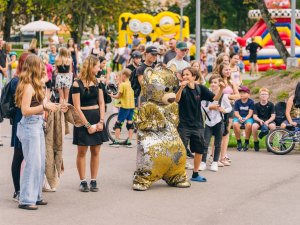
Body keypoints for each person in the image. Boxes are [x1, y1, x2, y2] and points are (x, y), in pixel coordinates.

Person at [15, 54, 58, 210]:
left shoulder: (37, 84)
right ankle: (26, 199)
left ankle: (36, 196)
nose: (43, 67)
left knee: (40, 163)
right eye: (40, 65)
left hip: (37, 124)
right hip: (29, 125)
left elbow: (43, 102)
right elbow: (25, 110)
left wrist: (54, 105)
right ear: (34, 67)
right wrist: (44, 107)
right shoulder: (28, 86)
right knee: (32, 163)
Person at [175, 67, 224, 182]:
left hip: (197, 125)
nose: (185, 77)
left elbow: (215, 98)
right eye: (184, 75)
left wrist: (221, 89)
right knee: (181, 150)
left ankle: (195, 174)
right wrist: (181, 88)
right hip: (184, 125)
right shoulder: (182, 88)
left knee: (199, 150)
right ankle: (178, 175)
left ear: (194, 77)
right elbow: (176, 100)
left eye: (188, 74)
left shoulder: (200, 89)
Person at [71, 55, 108, 192]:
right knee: (82, 151)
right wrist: (87, 125)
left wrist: (101, 121)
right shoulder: (76, 84)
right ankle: (82, 181)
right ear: (91, 66)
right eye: (98, 66)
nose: (100, 68)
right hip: (82, 120)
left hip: (97, 117)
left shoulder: (98, 82)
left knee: (96, 151)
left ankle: (93, 180)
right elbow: (76, 108)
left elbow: (102, 102)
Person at [9, 52, 30, 202]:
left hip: (29, 120)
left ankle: (27, 187)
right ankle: (17, 190)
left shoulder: (26, 81)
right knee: (19, 155)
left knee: (29, 156)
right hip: (20, 119)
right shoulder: (16, 81)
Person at [201, 75, 232, 171]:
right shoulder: (206, 95)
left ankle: (215, 162)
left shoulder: (224, 96)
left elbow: (229, 107)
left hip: (219, 122)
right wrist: (210, 107)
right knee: (205, 142)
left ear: (220, 84)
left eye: (215, 82)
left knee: (218, 143)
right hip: (208, 122)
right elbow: (202, 109)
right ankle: (203, 162)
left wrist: (224, 110)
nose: (213, 84)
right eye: (211, 82)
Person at [219, 62, 240, 165]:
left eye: (229, 70)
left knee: (226, 132)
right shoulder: (218, 81)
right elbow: (215, 95)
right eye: (225, 70)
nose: (227, 71)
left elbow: (238, 96)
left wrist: (227, 97)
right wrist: (228, 97)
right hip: (220, 109)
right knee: (219, 132)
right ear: (221, 71)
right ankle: (215, 157)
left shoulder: (231, 82)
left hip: (230, 109)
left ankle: (223, 157)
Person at [108, 68, 135, 147]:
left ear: (124, 75)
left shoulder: (123, 85)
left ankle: (116, 142)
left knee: (118, 123)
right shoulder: (131, 83)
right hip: (131, 106)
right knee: (130, 124)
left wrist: (112, 95)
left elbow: (118, 96)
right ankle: (129, 142)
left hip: (124, 106)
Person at [233, 86, 254, 151]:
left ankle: (246, 141)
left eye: (244, 93)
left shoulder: (251, 102)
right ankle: (239, 141)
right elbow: (236, 112)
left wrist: (245, 118)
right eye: (240, 93)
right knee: (235, 124)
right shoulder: (237, 102)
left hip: (248, 117)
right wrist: (239, 117)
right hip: (239, 117)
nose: (242, 94)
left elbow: (250, 113)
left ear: (248, 94)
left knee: (249, 125)